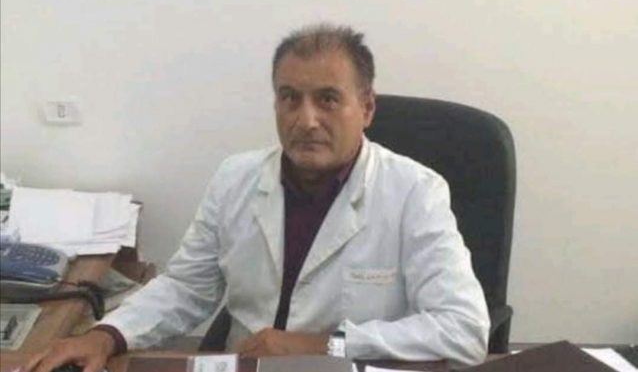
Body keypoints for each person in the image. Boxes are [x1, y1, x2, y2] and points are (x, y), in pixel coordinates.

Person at [21, 24, 490, 372]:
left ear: (366, 107)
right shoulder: (236, 178)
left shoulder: (415, 191)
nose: (306, 119)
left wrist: (325, 345)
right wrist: (107, 335)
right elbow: (186, 287)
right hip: (245, 365)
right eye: (290, 98)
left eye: (328, 99)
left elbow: (464, 329)